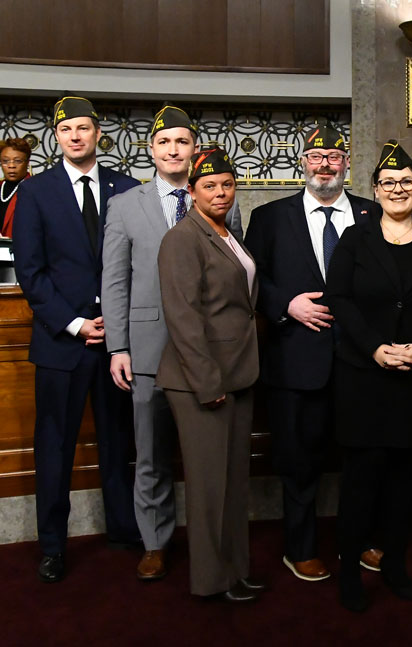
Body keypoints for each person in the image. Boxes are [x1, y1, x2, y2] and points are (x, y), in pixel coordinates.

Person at [102, 105, 242, 582]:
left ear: (193, 147)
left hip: (207, 353)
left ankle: (212, 546)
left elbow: (233, 279)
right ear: (152, 150)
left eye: (182, 141)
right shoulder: (124, 205)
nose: (173, 150)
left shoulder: (220, 197)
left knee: (208, 455)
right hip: (147, 348)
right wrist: (117, 347)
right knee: (151, 450)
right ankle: (155, 541)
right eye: (164, 142)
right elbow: (115, 280)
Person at [244, 122, 380, 583]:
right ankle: (299, 547)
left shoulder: (372, 213)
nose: (326, 165)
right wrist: (286, 304)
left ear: (347, 164)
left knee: (362, 458)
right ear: (303, 163)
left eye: (334, 157)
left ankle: (360, 540)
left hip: (360, 362)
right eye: (316, 157)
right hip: (296, 361)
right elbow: (251, 279)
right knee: (299, 461)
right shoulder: (268, 217)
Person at [13, 96, 141, 583]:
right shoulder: (36, 192)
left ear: (97, 133)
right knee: (55, 446)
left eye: (84, 128)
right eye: (67, 130)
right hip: (62, 343)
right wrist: (74, 323)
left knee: (118, 441)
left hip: (116, 342)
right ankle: (52, 545)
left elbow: (136, 264)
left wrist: (116, 320)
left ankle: (124, 530)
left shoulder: (126, 189)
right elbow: (31, 271)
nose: (76, 136)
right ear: (57, 136)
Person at [326, 140, 412, 612]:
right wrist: (375, 348)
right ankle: (350, 576)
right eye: (388, 183)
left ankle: (395, 566)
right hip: (364, 378)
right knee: (360, 482)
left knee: (402, 483)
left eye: (406, 183)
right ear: (374, 191)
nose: (398, 189)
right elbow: (340, 300)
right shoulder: (354, 239)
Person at [156, 147, 262, 602]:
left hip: (238, 373)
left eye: (227, 184)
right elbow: (183, 316)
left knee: (233, 484)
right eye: (209, 186)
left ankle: (236, 569)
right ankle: (211, 580)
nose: (220, 192)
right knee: (208, 487)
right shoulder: (183, 237)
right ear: (191, 192)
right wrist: (207, 383)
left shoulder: (227, 231)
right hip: (202, 380)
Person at [1, 136, 31, 237]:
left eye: (18, 161)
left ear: (27, 162)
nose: (11, 165)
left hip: (20, 250)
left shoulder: (36, 190)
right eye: (5, 161)